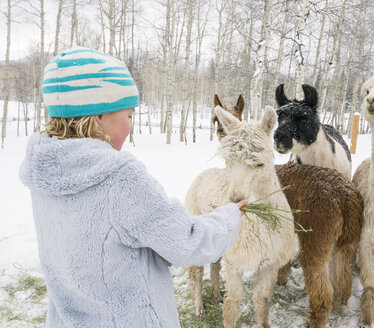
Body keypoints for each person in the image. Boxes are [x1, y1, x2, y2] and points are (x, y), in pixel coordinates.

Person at [19, 47, 246, 327]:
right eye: (128, 115)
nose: (130, 126)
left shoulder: (44, 174)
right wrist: (229, 215)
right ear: (99, 116)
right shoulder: (119, 179)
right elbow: (186, 242)